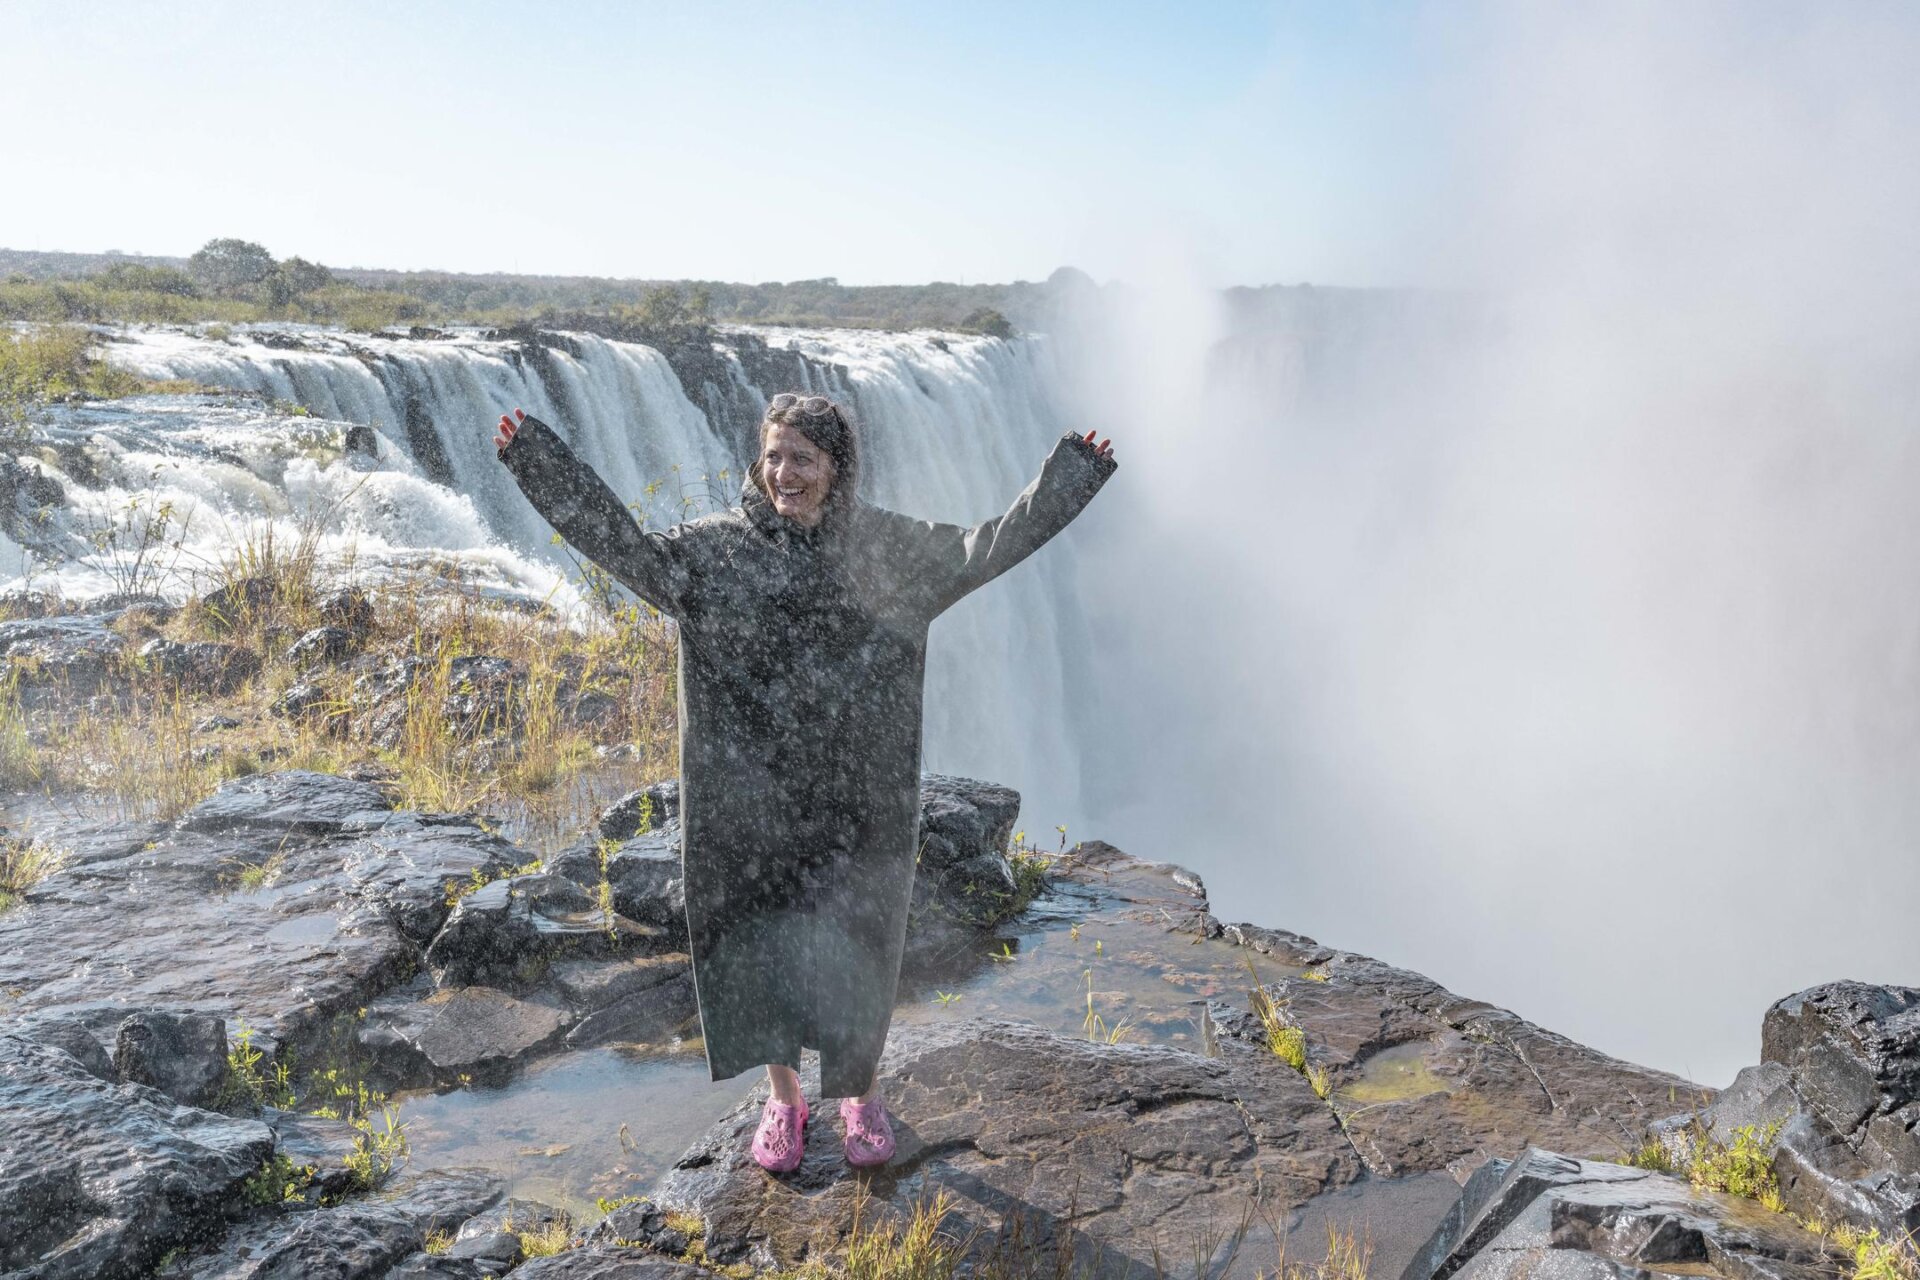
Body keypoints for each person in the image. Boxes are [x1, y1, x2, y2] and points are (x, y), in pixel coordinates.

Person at [493, 392, 1117, 1173]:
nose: (783, 473)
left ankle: (859, 1094)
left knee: (858, 942)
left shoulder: (884, 551)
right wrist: (539, 461)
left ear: (836, 466)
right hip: (748, 796)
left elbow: (983, 548)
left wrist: (1071, 476)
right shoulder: (715, 552)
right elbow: (622, 546)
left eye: (803, 458)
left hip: (857, 797)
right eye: (773, 456)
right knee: (759, 943)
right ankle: (783, 1100)